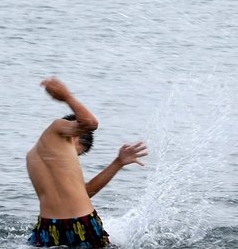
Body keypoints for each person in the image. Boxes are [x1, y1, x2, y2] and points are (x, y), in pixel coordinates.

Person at [26, 78, 148, 248]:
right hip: (81, 223)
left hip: (47, 227)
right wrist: (67, 96)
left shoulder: (33, 156)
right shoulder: (58, 127)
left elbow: (84, 193)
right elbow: (90, 123)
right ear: (73, 132)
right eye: (76, 151)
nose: (74, 157)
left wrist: (118, 162)